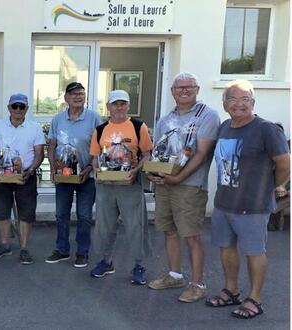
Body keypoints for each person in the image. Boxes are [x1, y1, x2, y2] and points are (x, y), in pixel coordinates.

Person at [205, 80, 289, 319]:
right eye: (233, 99)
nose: (239, 104)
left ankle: (255, 299)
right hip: (224, 202)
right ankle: (231, 291)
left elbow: (285, 163)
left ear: (253, 103)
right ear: (224, 104)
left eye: (245, 100)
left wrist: (272, 186)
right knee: (227, 248)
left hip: (252, 206)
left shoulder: (266, 129)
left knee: (254, 251)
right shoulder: (224, 127)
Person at [145, 72, 220, 302]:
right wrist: (153, 172)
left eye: (189, 87)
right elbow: (158, 151)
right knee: (169, 231)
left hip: (189, 186)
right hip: (166, 184)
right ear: (172, 92)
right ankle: (174, 275)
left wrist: (178, 178)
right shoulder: (166, 119)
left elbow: (201, 154)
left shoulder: (207, 115)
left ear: (197, 89)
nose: (184, 90)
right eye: (179, 87)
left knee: (191, 235)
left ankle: (198, 284)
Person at [89, 90, 153, 285]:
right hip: (106, 186)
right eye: (115, 104)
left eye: (123, 104)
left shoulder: (137, 126)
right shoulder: (100, 130)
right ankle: (105, 261)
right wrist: (97, 172)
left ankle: (139, 265)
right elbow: (94, 157)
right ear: (108, 106)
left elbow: (147, 154)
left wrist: (135, 170)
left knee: (136, 226)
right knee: (104, 226)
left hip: (129, 183)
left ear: (128, 105)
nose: (119, 107)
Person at [45, 82, 102, 268]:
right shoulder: (58, 119)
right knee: (61, 214)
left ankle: (82, 252)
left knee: (84, 215)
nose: (78, 97)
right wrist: (53, 170)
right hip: (64, 175)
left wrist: (88, 169)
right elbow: (52, 145)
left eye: (82, 93)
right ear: (66, 98)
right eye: (74, 94)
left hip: (87, 175)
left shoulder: (94, 117)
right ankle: (61, 249)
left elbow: (100, 146)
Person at [0, 93, 45, 265]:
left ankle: (24, 248)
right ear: (9, 108)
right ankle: (5, 245)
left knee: (26, 213)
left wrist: (31, 170)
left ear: (27, 108)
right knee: (2, 211)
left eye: (21, 106)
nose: (18, 110)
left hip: (25, 176)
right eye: (14, 106)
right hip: (3, 176)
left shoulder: (35, 127)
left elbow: (40, 153)